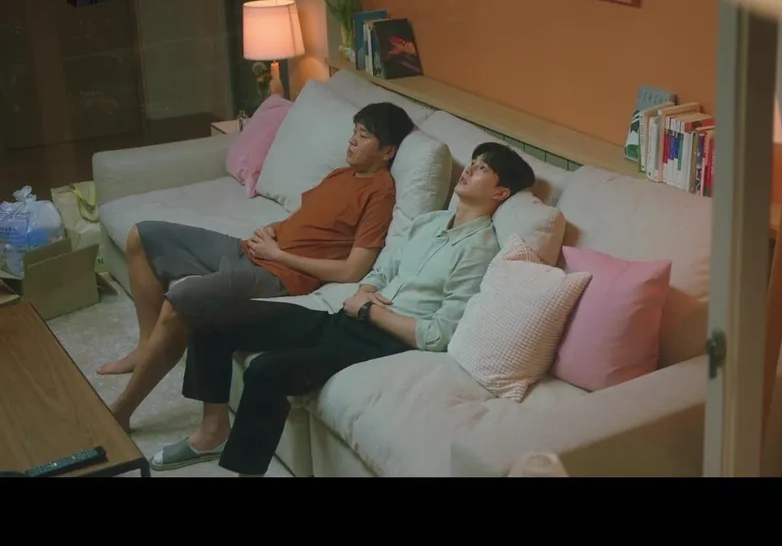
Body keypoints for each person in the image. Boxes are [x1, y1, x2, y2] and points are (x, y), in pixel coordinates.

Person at [148, 142, 536, 474]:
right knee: (211, 321)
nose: (469, 169)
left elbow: (439, 334)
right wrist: (365, 291)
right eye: (472, 162)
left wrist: (369, 310)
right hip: (348, 315)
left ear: (500, 193)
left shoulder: (479, 249)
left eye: (482, 169)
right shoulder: (429, 223)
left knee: (266, 370)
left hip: (384, 340)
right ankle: (212, 432)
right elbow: (382, 270)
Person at [102, 102, 415, 432]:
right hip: (253, 248)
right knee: (142, 236)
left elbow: (352, 270)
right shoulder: (341, 174)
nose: (351, 140)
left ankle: (121, 411)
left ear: (388, 151)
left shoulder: (380, 192)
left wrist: (278, 255)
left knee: (180, 301)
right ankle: (145, 348)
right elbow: (305, 221)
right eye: (353, 132)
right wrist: (273, 229)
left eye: (363, 136)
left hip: (277, 273)